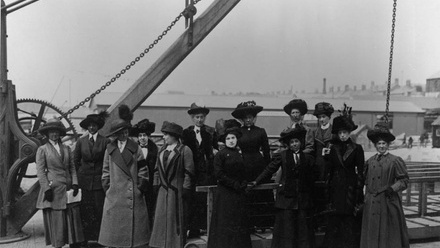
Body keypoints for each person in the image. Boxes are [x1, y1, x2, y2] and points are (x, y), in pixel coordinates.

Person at [249, 126, 315, 248]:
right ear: (288, 144)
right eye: (292, 142)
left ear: (301, 142)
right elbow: (270, 169)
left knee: (302, 228)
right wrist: (256, 181)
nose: (294, 144)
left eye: (297, 141)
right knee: (287, 228)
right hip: (287, 199)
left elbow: (312, 177)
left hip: (302, 198)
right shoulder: (283, 156)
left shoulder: (308, 158)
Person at [98, 105, 150, 248]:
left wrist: (139, 189)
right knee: (115, 237)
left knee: (134, 239)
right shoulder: (110, 149)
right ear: (117, 134)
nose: (125, 135)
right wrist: (109, 189)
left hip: (132, 194)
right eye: (122, 133)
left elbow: (143, 170)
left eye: (126, 132)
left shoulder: (135, 148)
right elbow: (105, 172)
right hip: (114, 195)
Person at [36, 119, 84, 248]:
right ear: (47, 134)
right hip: (54, 189)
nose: (54, 134)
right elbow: (40, 172)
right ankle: (58, 244)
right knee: (57, 220)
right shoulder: (42, 149)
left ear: (60, 133)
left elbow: (72, 168)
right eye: (51, 132)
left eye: (56, 132)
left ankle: (72, 242)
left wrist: (75, 183)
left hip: (67, 189)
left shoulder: (67, 148)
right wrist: (46, 189)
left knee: (70, 219)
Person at [360, 122, 409, 248]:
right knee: (372, 232)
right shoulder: (370, 162)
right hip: (371, 203)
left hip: (387, 202)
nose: (381, 146)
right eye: (379, 144)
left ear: (388, 145)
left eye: (384, 144)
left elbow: (404, 180)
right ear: (375, 145)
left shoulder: (395, 160)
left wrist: (392, 188)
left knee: (388, 234)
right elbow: (364, 180)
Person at [323, 104, 364, 248]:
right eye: (340, 133)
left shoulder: (357, 149)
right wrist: (328, 191)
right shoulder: (332, 148)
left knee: (349, 220)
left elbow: (360, 172)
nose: (342, 136)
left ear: (349, 133)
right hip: (335, 187)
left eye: (345, 132)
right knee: (334, 220)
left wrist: (358, 192)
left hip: (350, 188)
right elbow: (329, 171)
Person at [149, 121, 195, 248]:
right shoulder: (162, 150)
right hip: (163, 191)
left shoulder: (185, 150)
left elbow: (189, 171)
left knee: (174, 219)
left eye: (166, 135)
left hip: (177, 191)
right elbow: (157, 170)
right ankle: (159, 243)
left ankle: (174, 244)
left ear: (174, 136)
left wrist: (186, 188)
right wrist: (155, 185)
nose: (164, 137)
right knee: (160, 218)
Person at [231, 100, 273, 230]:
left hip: (258, 164)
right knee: (246, 193)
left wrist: (268, 169)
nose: (248, 120)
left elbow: (266, 151)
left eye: (250, 117)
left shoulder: (261, 131)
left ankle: (263, 223)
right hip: (244, 164)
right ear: (242, 119)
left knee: (261, 192)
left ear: (254, 118)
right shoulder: (238, 132)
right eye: (246, 118)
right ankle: (248, 224)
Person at [207, 126, 252, 248]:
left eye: (233, 138)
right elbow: (219, 173)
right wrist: (233, 184)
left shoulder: (240, 154)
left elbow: (244, 171)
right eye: (228, 138)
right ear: (224, 141)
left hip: (238, 193)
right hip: (225, 193)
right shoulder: (221, 155)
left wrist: (243, 182)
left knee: (239, 221)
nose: (231, 140)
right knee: (225, 221)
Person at [182, 103, 217, 238]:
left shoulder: (210, 131)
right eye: (197, 117)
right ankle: (193, 228)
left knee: (205, 198)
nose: (200, 120)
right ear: (192, 118)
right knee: (192, 199)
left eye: (202, 117)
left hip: (206, 170)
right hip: (192, 169)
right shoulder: (186, 133)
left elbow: (214, 149)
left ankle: (206, 226)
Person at [74, 111, 109, 245]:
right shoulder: (81, 141)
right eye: (89, 126)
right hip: (85, 182)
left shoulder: (105, 141)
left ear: (98, 127)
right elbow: (75, 161)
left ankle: (100, 239)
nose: (92, 128)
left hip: (99, 183)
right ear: (86, 127)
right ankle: (86, 239)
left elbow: (108, 162)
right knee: (85, 210)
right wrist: (78, 179)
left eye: (94, 125)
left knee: (99, 210)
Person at [311, 102, 335, 231]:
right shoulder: (314, 132)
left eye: (324, 117)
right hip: (318, 166)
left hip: (330, 166)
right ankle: (318, 222)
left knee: (330, 193)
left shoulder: (334, 132)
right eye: (319, 117)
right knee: (318, 193)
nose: (321, 120)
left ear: (329, 117)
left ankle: (328, 223)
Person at [130, 118, 158, 228]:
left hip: (150, 184)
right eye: (140, 135)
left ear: (149, 136)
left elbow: (157, 168)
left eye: (145, 135)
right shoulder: (133, 148)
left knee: (150, 207)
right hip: (137, 183)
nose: (142, 138)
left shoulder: (155, 149)